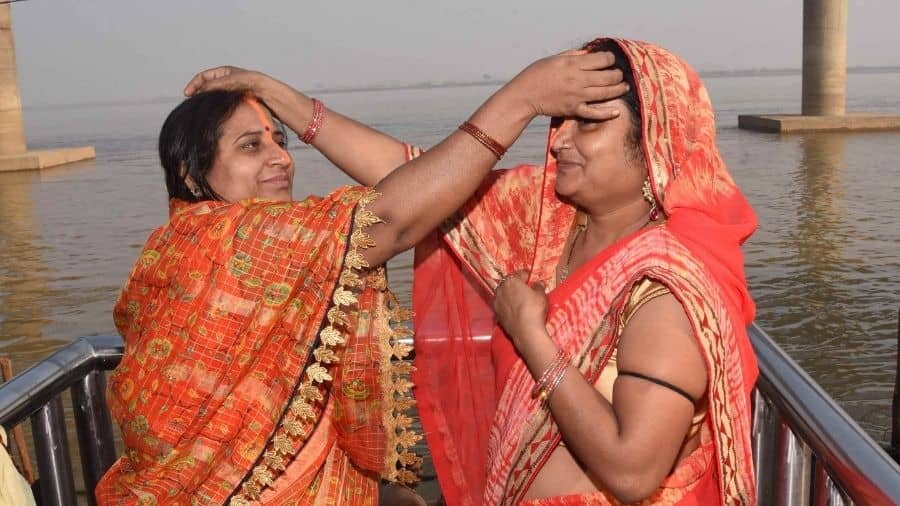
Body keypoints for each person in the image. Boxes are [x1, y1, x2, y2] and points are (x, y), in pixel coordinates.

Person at [94, 51, 628, 505]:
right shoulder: (232, 240)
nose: (281, 159)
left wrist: (269, 90)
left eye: (279, 141)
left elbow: (411, 176)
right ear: (190, 175)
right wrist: (521, 99)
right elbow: (394, 214)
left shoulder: (183, 243)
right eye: (251, 146)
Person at [411, 38, 759, 505]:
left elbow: (633, 473)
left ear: (655, 144)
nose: (559, 142)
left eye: (588, 124)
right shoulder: (552, 223)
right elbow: (418, 183)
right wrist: (310, 115)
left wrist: (530, 336)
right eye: (560, 122)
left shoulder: (666, 284)